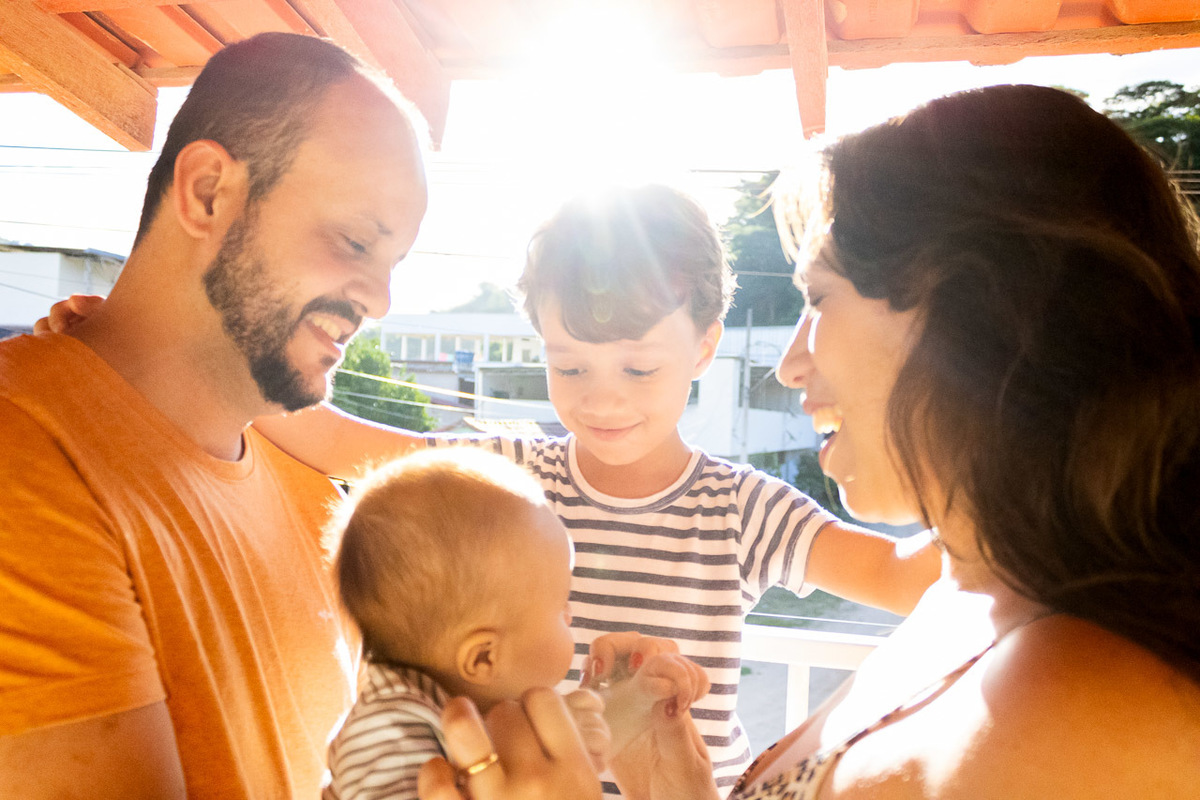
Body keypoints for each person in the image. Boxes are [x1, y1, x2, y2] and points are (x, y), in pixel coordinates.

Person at [416, 84, 1200, 800]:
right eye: (571, 363)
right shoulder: (969, 601)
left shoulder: (1095, 712)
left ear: (982, 317)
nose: (790, 364)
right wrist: (672, 782)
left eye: (817, 298)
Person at [243, 183, 942, 795]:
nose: (602, 402)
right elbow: (348, 446)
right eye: (570, 369)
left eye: (638, 370)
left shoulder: (742, 508)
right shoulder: (506, 480)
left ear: (703, 347)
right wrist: (232, 356)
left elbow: (897, 572)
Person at [0, 32, 428, 800]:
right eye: (356, 240)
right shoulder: (25, 454)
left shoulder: (300, 472)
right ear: (207, 193)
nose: (380, 300)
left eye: (391, 265)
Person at [322, 447, 707, 800]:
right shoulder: (391, 731)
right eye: (561, 608)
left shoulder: (474, 706)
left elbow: (549, 767)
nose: (570, 617)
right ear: (484, 658)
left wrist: (637, 697)